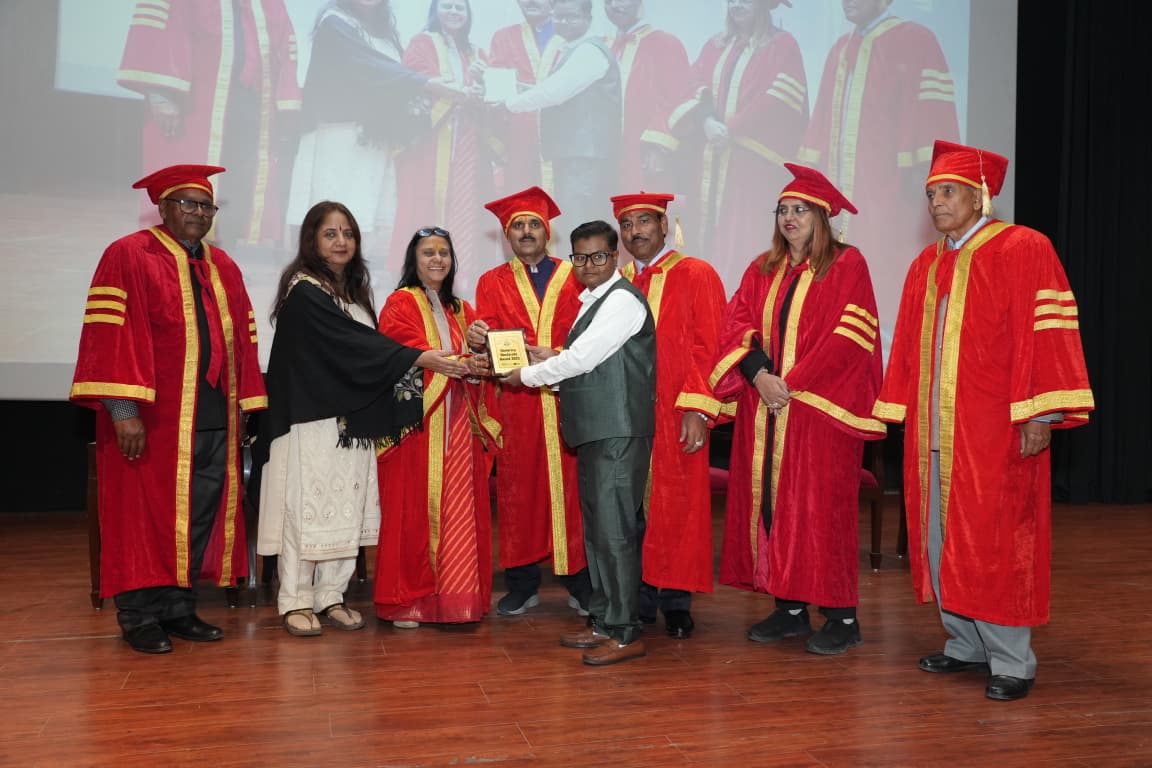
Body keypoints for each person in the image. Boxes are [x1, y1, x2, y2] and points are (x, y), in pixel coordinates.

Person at [873, 140, 1094, 699]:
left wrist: (1042, 411)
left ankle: (1012, 660)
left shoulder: (1023, 247)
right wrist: (900, 409)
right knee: (939, 541)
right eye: (931, 194)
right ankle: (964, 642)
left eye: (948, 192)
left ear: (980, 196)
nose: (936, 203)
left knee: (995, 543)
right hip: (934, 430)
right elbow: (908, 349)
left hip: (995, 428)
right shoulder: (926, 264)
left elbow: (1048, 334)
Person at [70, 164, 267, 654]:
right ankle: (138, 615)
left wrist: (243, 406)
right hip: (152, 418)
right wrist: (122, 410)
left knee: (197, 515)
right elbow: (109, 335)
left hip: (213, 415)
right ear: (162, 207)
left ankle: (178, 607)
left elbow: (243, 340)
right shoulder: (129, 254)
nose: (199, 213)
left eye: (206, 206)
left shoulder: (223, 266)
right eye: (188, 203)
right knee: (142, 516)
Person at [256, 202, 469, 637]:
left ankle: (331, 595)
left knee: (346, 509)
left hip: (350, 423)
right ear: (312, 240)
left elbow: (366, 352)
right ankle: (295, 598)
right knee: (307, 509)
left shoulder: (351, 295)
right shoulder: (304, 292)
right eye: (330, 234)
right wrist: (419, 356)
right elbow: (355, 345)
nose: (341, 242)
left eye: (348, 234)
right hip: (311, 422)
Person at [710, 164, 885, 655]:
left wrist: (791, 384)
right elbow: (736, 325)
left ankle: (842, 616)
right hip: (766, 408)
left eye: (801, 210)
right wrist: (759, 376)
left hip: (821, 413)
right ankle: (789, 609)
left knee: (820, 513)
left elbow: (848, 336)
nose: (789, 218)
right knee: (772, 507)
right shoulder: (763, 268)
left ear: (822, 218)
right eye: (783, 210)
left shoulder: (847, 264)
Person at [502, 220, 656, 666]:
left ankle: (625, 633)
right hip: (595, 432)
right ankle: (605, 621)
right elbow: (588, 361)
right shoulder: (595, 301)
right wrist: (550, 358)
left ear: (615, 257)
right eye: (581, 257)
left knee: (615, 533)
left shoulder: (621, 299)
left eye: (599, 256)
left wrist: (526, 374)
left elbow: (583, 359)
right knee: (600, 533)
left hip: (617, 432)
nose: (589, 265)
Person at [798, 0, 960, 337]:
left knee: (889, 262)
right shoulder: (839, 49)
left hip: (890, 182)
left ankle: (889, 337)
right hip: (843, 181)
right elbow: (822, 120)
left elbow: (933, 113)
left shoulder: (916, 39)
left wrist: (921, 174)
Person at [468, 186, 591, 617]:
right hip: (517, 403)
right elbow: (490, 343)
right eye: (517, 225)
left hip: (567, 399)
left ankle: (581, 582)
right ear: (507, 235)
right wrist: (477, 337)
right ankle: (522, 584)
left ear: (547, 232)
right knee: (519, 492)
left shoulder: (576, 275)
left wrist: (555, 355)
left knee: (574, 493)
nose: (525, 231)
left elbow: (590, 336)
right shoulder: (492, 282)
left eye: (533, 224)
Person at [373, 228, 500, 627]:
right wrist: (451, 362)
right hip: (419, 426)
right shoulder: (400, 302)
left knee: (459, 513)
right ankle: (408, 603)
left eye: (444, 252)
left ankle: (456, 600)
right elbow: (398, 354)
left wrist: (479, 358)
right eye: (428, 252)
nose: (437, 259)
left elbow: (478, 364)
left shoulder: (463, 309)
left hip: (459, 425)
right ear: (414, 260)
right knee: (413, 512)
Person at [613, 192, 726, 639]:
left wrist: (697, 407)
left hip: (677, 412)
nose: (635, 231)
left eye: (644, 221)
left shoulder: (697, 273)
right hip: (625, 417)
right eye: (626, 224)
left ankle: (677, 601)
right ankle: (638, 599)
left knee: (678, 506)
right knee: (631, 509)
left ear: (664, 225)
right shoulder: (616, 281)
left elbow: (710, 345)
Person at [287, 0, 473, 265]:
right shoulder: (335, 22)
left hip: (370, 136)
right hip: (338, 134)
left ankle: (348, 276)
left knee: (362, 213)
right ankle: (323, 275)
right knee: (335, 209)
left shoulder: (381, 30)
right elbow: (367, 65)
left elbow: (394, 71)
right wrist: (425, 83)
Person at [117, 0, 301, 247]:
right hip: (194, 108)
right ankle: (175, 256)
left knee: (236, 189)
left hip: (249, 111)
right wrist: (160, 96)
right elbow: (158, 33)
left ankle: (219, 254)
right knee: (185, 184)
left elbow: (282, 45)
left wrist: (284, 109)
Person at [667, 0, 807, 291]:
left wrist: (731, 128)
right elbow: (692, 85)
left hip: (751, 167)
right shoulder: (716, 45)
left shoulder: (782, 45)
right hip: (711, 160)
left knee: (744, 239)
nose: (737, 5)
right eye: (732, 0)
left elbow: (778, 99)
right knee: (701, 233)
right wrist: (707, 121)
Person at [389, 0, 490, 292]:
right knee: (423, 202)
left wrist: (480, 88)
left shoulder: (474, 52)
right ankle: (416, 275)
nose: (454, 12)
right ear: (435, 10)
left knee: (463, 204)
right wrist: (459, 92)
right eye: (447, 6)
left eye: (460, 7)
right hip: (430, 139)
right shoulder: (422, 43)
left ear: (468, 14)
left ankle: (458, 275)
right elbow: (415, 81)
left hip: (465, 139)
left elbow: (485, 92)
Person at [503, 0, 622, 235]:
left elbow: (554, 92)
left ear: (588, 19)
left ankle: (583, 261)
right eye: (558, 17)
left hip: (584, 158)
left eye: (572, 17)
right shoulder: (573, 49)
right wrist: (517, 90)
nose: (564, 22)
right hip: (577, 155)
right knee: (575, 222)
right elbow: (554, 88)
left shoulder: (590, 51)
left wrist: (508, 104)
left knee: (580, 223)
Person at [602, 0, 693, 194]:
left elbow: (676, 98)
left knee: (643, 205)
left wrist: (659, 146)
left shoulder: (665, 43)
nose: (614, 5)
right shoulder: (603, 45)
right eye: (608, 1)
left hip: (644, 149)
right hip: (608, 153)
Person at [484, 0, 563, 196]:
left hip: (562, 128)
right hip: (518, 131)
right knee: (520, 191)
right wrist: (483, 81)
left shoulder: (570, 34)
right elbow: (497, 93)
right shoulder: (504, 37)